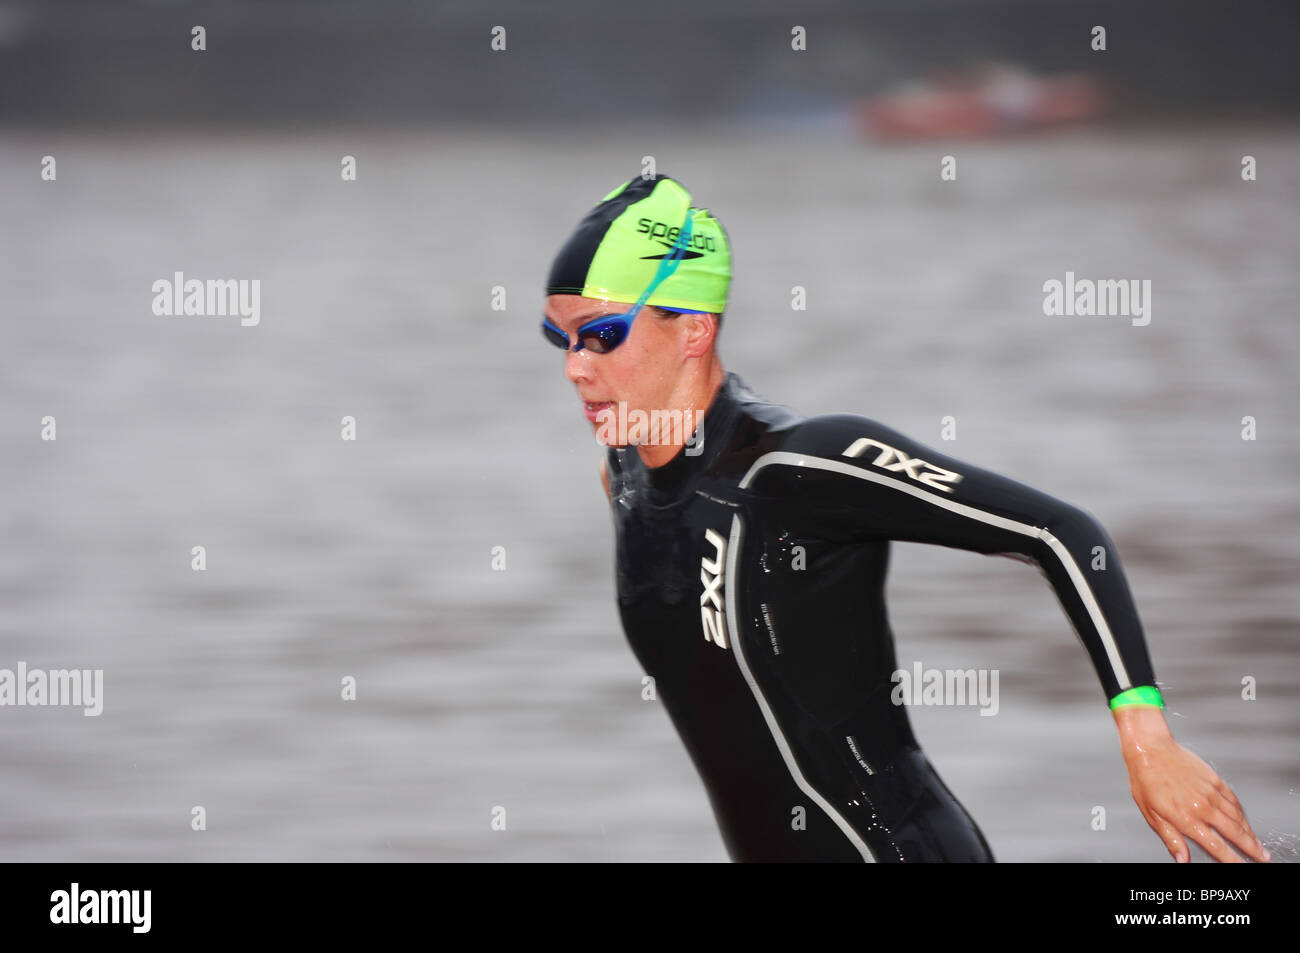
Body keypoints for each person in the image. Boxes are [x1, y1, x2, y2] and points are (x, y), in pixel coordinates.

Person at [540, 173, 1269, 863]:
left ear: (694, 329)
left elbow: (1061, 533)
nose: (574, 366)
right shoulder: (625, 477)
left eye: (600, 334)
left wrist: (1147, 738)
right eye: (559, 337)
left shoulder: (796, 468)